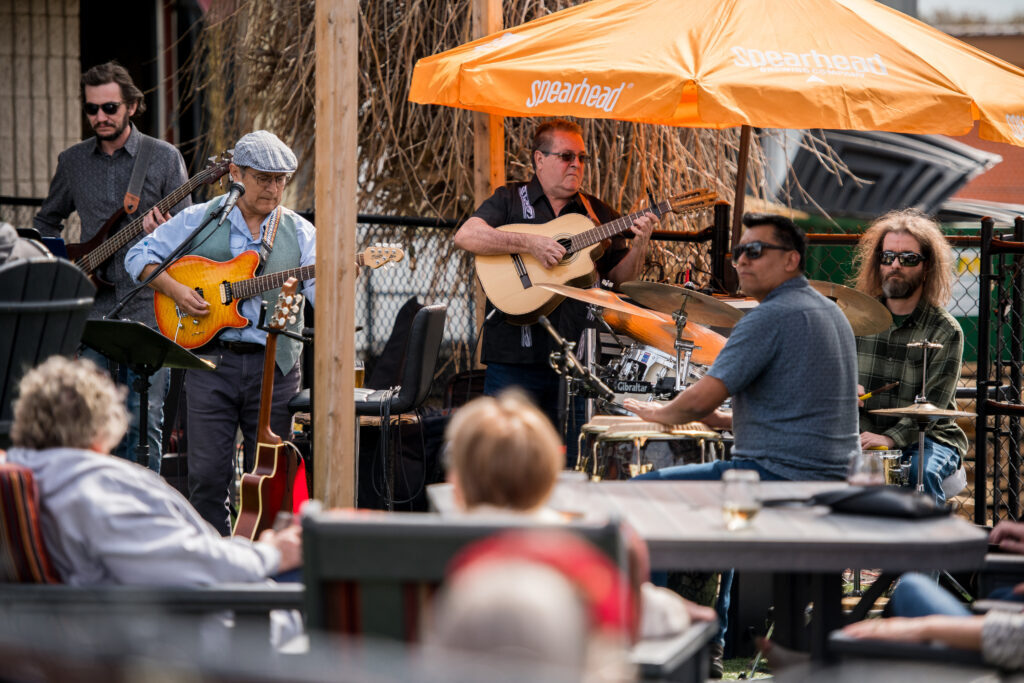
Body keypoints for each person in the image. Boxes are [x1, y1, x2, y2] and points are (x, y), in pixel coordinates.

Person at [624, 213, 861, 676]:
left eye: (756, 251)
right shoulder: (829, 312)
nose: (742, 261)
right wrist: (725, 419)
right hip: (830, 485)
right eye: (738, 252)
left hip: (778, 483)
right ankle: (711, 649)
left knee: (640, 497)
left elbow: (698, 397)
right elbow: (798, 411)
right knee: (725, 503)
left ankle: (656, 651)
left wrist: (660, 414)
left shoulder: (770, 316)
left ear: (792, 259)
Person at [125, 130, 315, 535]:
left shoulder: (300, 232)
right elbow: (137, 256)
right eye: (263, 177)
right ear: (235, 173)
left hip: (275, 369)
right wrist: (177, 291)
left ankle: (269, 563)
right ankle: (215, 564)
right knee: (207, 477)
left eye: (280, 179)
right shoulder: (202, 218)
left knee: (271, 478)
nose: (273, 187)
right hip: (209, 362)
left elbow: (324, 294)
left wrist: (340, 279)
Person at [453, 118, 658, 456]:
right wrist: (530, 243)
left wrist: (640, 244)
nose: (575, 164)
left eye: (581, 157)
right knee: (503, 455)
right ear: (539, 160)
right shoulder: (509, 199)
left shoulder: (597, 213)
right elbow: (467, 235)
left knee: (578, 456)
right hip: (515, 358)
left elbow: (622, 281)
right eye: (566, 156)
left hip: (577, 360)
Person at [3, 356, 301, 585]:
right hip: (209, 623)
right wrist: (272, 553)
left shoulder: (32, 471)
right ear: (103, 424)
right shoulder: (92, 490)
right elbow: (188, 562)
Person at [443, 390, 716, 639]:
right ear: (549, 477)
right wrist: (691, 611)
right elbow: (652, 614)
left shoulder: (442, 553)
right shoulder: (581, 553)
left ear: (456, 484)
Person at [34, 61, 191, 473]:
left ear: (132, 107)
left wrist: (169, 230)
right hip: (93, 312)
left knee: (145, 427)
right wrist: (64, 264)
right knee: (91, 427)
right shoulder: (72, 162)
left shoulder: (163, 158)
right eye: (91, 110)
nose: (100, 117)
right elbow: (45, 221)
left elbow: (192, 236)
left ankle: (144, 520)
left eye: (109, 108)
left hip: (149, 311)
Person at [853, 208, 968, 505]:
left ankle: (925, 547)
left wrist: (890, 439)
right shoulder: (855, 319)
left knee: (920, 473)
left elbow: (932, 410)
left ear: (927, 267)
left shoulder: (946, 330)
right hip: (862, 433)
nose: (895, 265)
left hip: (928, 438)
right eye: (887, 256)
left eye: (908, 259)